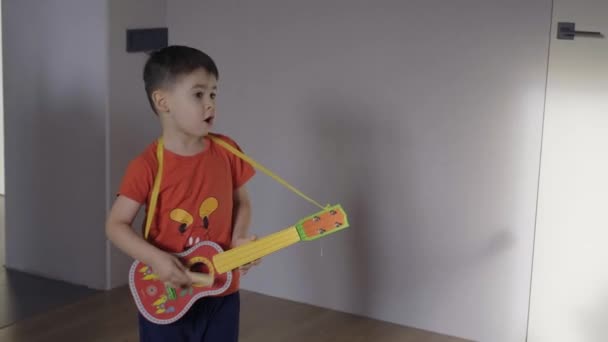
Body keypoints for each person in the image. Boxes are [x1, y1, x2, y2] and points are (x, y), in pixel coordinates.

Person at [105, 45, 258, 342]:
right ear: (163, 101)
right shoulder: (147, 165)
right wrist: (157, 259)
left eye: (213, 94)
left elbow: (243, 202)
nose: (210, 103)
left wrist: (239, 238)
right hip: (168, 292)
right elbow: (115, 225)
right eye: (198, 94)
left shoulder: (227, 151)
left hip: (221, 288)